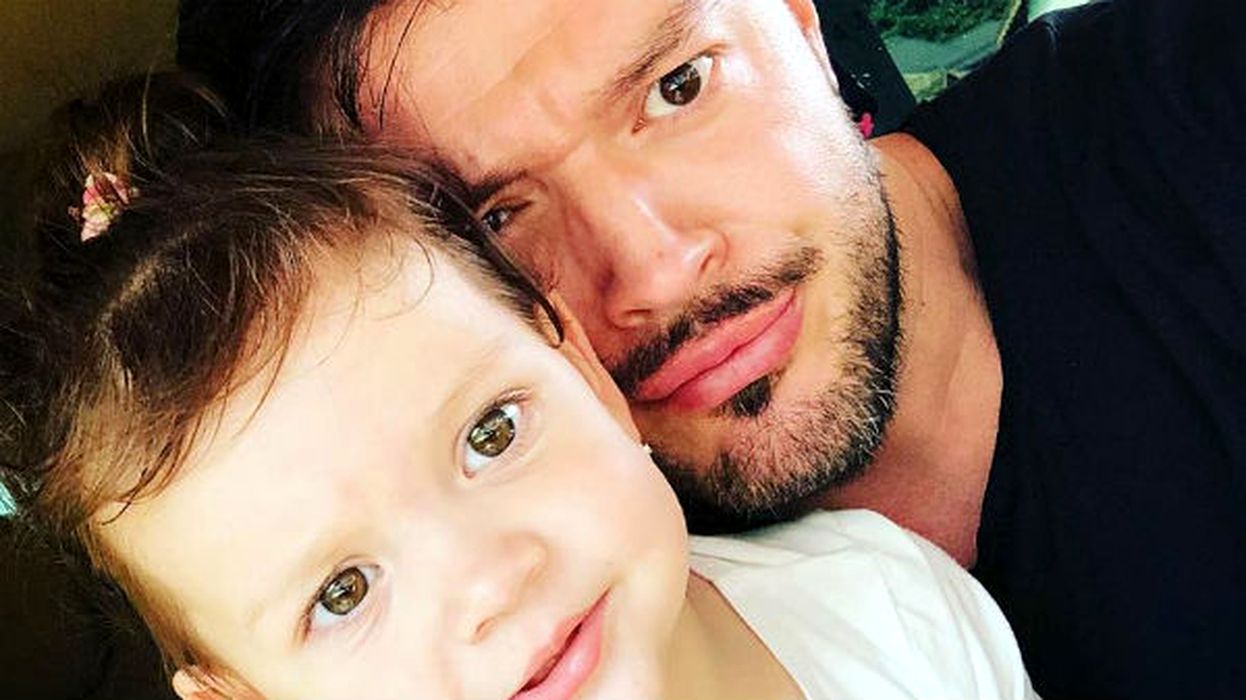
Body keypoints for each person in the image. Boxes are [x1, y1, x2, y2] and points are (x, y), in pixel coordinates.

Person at [176, 1, 1246, 697]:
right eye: (492, 222)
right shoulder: (509, 610)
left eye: (677, 87)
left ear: (799, 21)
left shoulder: (1201, 104)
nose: (651, 270)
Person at [0, 73, 1035, 700]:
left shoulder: (879, 595)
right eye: (343, 593)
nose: (493, 583)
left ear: (580, 369)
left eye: (490, 433)